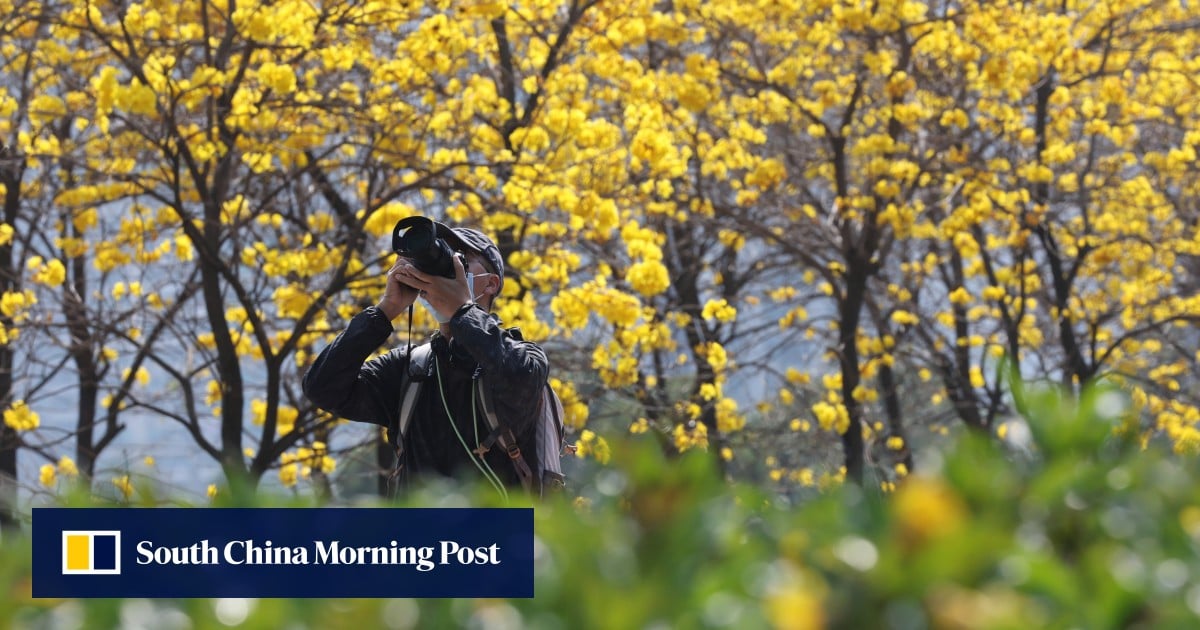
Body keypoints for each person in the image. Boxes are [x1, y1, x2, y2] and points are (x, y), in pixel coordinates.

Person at [302, 218, 548, 497]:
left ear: (490, 284)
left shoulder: (523, 356)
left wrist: (463, 312)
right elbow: (322, 388)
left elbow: (519, 374)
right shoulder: (409, 369)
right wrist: (385, 309)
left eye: (461, 259)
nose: (447, 268)